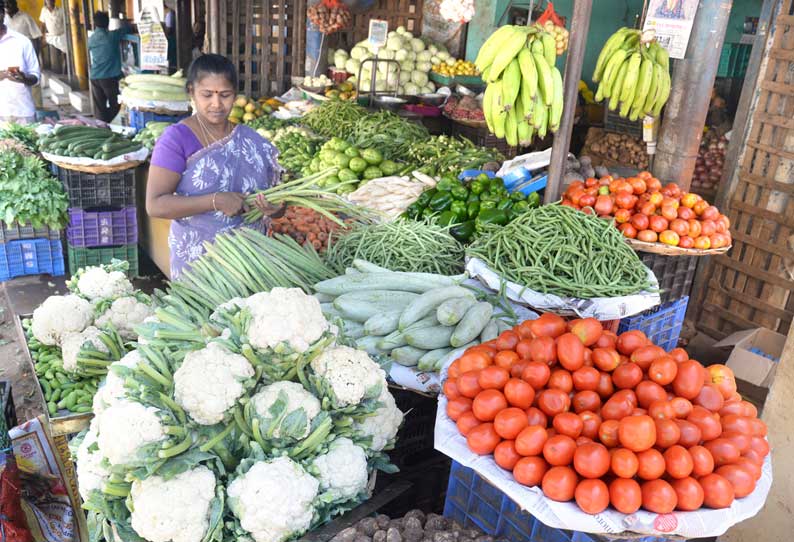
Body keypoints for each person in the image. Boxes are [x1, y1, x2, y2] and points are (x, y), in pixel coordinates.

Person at [146, 54, 284, 279]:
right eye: (207, 95)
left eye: (225, 95)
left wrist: (275, 209)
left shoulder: (251, 140)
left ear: (235, 95)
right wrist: (215, 201)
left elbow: (278, 203)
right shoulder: (176, 139)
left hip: (249, 263)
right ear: (191, 92)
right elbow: (155, 205)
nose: (217, 104)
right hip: (199, 265)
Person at [0, 1, 41, 124]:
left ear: (2, 14)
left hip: (23, 113)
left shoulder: (22, 41)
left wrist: (24, 78)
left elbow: (35, 77)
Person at [88, 11, 126, 123]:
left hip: (95, 76)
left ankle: (101, 127)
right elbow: (125, 29)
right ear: (108, 23)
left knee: (100, 107)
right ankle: (111, 125)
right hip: (109, 77)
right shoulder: (112, 37)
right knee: (115, 104)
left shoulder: (91, 38)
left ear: (95, 23)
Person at [39, 0, 67, 72]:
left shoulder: (61, 10)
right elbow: (42, 24)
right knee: (39, 46)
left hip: (62, 36)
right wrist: (41, 35)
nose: (49, 1)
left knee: (67, 53)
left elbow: (66, 24)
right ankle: (45, 67)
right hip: (51, 36)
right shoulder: (44, 11)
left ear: (54, 1)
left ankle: (66, 70)